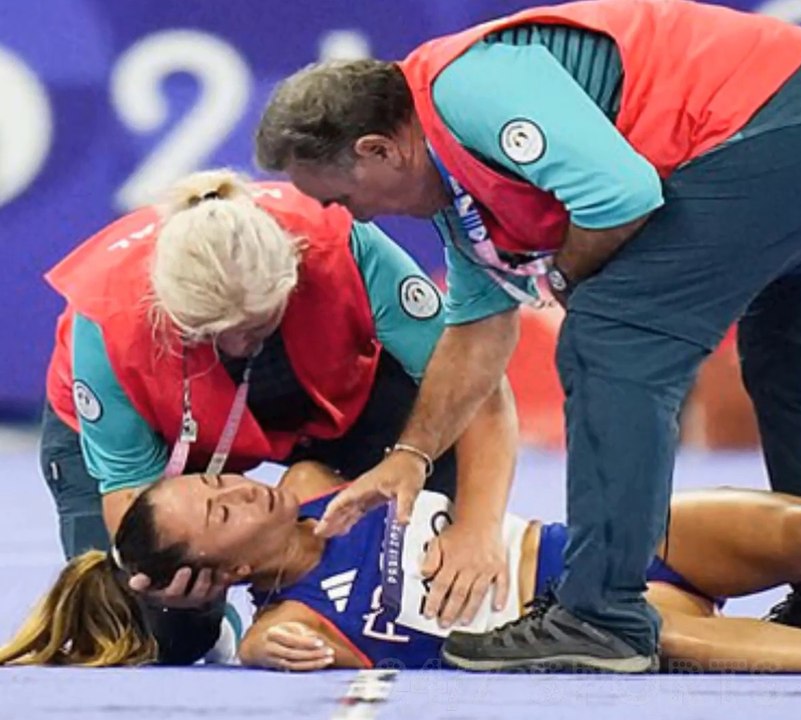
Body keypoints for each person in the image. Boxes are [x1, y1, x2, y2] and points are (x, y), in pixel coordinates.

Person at [254, 0, 801, 671]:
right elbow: (478, 328)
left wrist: (567, 277)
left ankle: (600, 612)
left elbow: (621, 195)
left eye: (341, 198)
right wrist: (412, 454)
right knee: (793, 369)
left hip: (791, 126)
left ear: (378, 149)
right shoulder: (460, 189)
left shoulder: (465, 89)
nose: (349, 217)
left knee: (608, 335)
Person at [0, 461, 801, 679]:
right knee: (655, 638)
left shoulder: (336, 481)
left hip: (607, 538)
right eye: (216, 506)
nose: (241, 486)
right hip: (592, 614)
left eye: (221, 475)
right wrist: (227, 633)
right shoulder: (282, 633)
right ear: (200, 565)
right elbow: (259, 654)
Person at [38, 169, 518, 663]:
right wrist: (174, 598)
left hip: (323, 388)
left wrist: (476, 527)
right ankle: (207, 629)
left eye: (256, 325)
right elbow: (132, 502)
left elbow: (479, 389)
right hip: (159, 421)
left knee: (438, 505)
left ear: (294, 270)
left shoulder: (342, 244)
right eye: (214, 333)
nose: (238, 345)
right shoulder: (105, 320)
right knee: (151, 630)